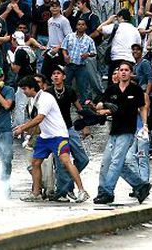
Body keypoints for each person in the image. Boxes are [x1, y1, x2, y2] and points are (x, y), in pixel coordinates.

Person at [14, 75, 89, 203]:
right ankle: (36, 193)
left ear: (32, 88)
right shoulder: (33, 100)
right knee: (35, 163)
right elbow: (35, 121)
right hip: (45, 137)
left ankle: (82, 191)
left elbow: (39, 118)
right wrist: (23, 127)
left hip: (59, 136)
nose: (24, 92)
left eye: (25, 89)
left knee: (66, 161)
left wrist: (22, 128)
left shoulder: (46, 98)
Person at [92, 62, 151, 204]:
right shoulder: (112, 89)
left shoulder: (135, 90)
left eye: (126, 70)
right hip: (114, 130)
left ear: (131, 73)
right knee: (107, 162)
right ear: (117, 74)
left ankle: (107, 192)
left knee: (116, 161)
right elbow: (98, 106)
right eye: (121, 70)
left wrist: (144, 125)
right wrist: (105, 105)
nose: (123, 72)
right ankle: (140, 185)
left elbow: (143, 107)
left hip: (128, 130)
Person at [48, 66, 90, 202]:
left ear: (64, 77)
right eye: (53, 73)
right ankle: (62, 191)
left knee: (83, 159)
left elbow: (79, 109)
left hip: (69, 128)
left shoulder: (70, 91)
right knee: (61, 163)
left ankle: (67, 184)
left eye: (58, 73)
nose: (56, 76)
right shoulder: (48, 93)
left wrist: (84, 126)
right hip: (55, 131)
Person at [61, 18, 97, 104]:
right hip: (69, 65)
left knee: (83, 87)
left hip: (81, 66)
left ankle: (83, 106)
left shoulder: (89, 40)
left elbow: (94, 52)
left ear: (86, 27)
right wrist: (65, 55)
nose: (80, 26)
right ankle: (65, 103)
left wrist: (87, 54)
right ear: (76, 26)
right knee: (65, 85)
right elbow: (63, 48)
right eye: (79, 24)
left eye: (83, 24)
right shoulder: (69, 36)